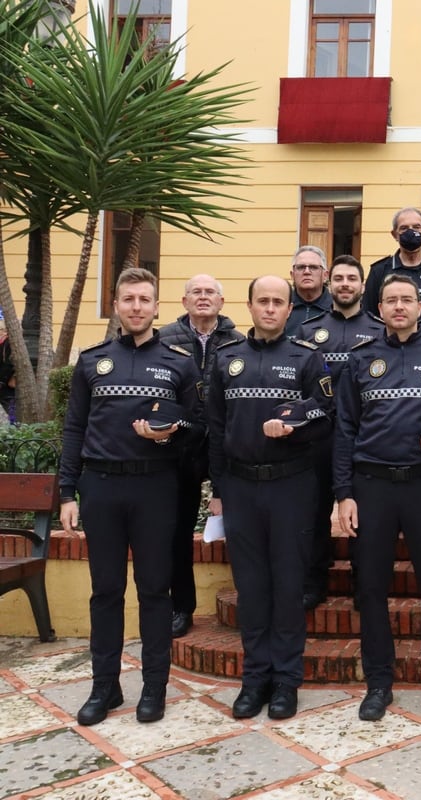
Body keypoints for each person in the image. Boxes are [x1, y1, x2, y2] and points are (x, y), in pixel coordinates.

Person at [59, 267, 203, 725]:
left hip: (156, 487)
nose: (137, 307)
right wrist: (67, 492)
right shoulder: (91, 360)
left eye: (145, 299)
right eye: (129, 300)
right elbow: (74, 428)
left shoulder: (180, 362)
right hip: (100, 487)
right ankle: (105, 688)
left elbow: (198, 431)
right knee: (105, 592)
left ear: (157, 307)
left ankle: (154, 689)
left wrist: (168, 436)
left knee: (155, 591)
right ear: (117, 305)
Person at [336, 274, 421, 722]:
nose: (399, 306)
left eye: (407, 300)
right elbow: (344, 430)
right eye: (391, 300)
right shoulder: (361, 360)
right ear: (380, 307)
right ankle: (379, 682)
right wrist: (344, 494)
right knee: (371, 589)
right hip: (371, 486)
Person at [208, 275, 333, 721]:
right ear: (250, 305)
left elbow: (325, 416)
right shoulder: (227, 359)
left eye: (278, 302)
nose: (270, 308)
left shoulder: (307, 358)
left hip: (291, 486)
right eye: (263, 301)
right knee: (252, 587)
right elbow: (216, 429)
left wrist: (297, 423)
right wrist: (218, 490)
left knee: (288, 586)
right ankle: (254, 678)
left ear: (288, 308)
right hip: (240, 488)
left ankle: (286, 681)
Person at [158, 274, 245, 638]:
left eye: (211, 292)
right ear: (184, 301)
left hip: (227, 447)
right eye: (197, 292)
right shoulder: (164, 340)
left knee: (241, 530)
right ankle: (181, 607)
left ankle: (248, 604)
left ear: (222, 303)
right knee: (177, 532)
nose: (204, 297)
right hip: (182, 448)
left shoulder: (239, 342)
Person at [298, 254, 384, 609]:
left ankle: (364, 582)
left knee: (364, 511)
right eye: (340, 278)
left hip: (365, 436)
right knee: (314, 511)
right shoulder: (307, 331)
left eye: (353, 278)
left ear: (363, 286)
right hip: (318, 435)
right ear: (329, 283)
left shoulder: (381, 330)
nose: (345, 284)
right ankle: (313, 581)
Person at [363, 207, 421, 317]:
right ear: (394, 235)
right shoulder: (380, 271)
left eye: (416, 227)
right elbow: (368, 314)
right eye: (404, 228)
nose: (411, 232)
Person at [284, 245, 332, 337]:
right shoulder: (281, 308)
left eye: (313, 267)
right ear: (292, 275)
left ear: (325, 275)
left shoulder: (336, 309)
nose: (306, 272)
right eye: (301, 267)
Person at [0, 318, 15, 423]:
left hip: (5, 384)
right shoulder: (3, 343)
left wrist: (1, 381)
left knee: (11, 408)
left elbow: (8, 364)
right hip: (3, 383)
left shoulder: (8, 343)